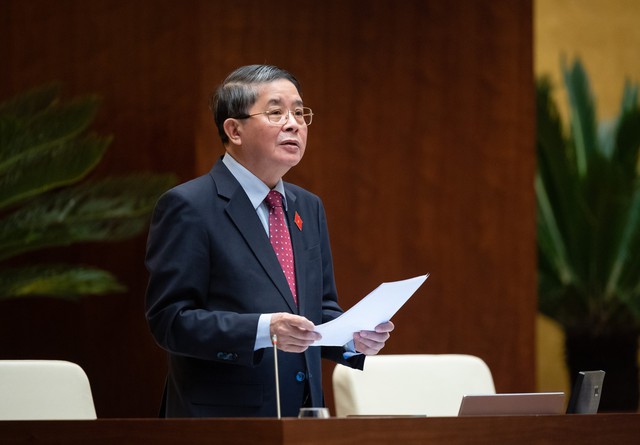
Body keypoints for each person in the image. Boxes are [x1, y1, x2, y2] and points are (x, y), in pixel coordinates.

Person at [145, 64, 394, 418]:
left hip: (304, 416)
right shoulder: (189, 206)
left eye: (300, 113)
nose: (294, 124)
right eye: (276, 112)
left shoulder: (307, 206)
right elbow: (171, 320)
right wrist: (265, 329)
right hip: (222, 422)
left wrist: (351, 339)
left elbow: (318, 308)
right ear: (234, 130)